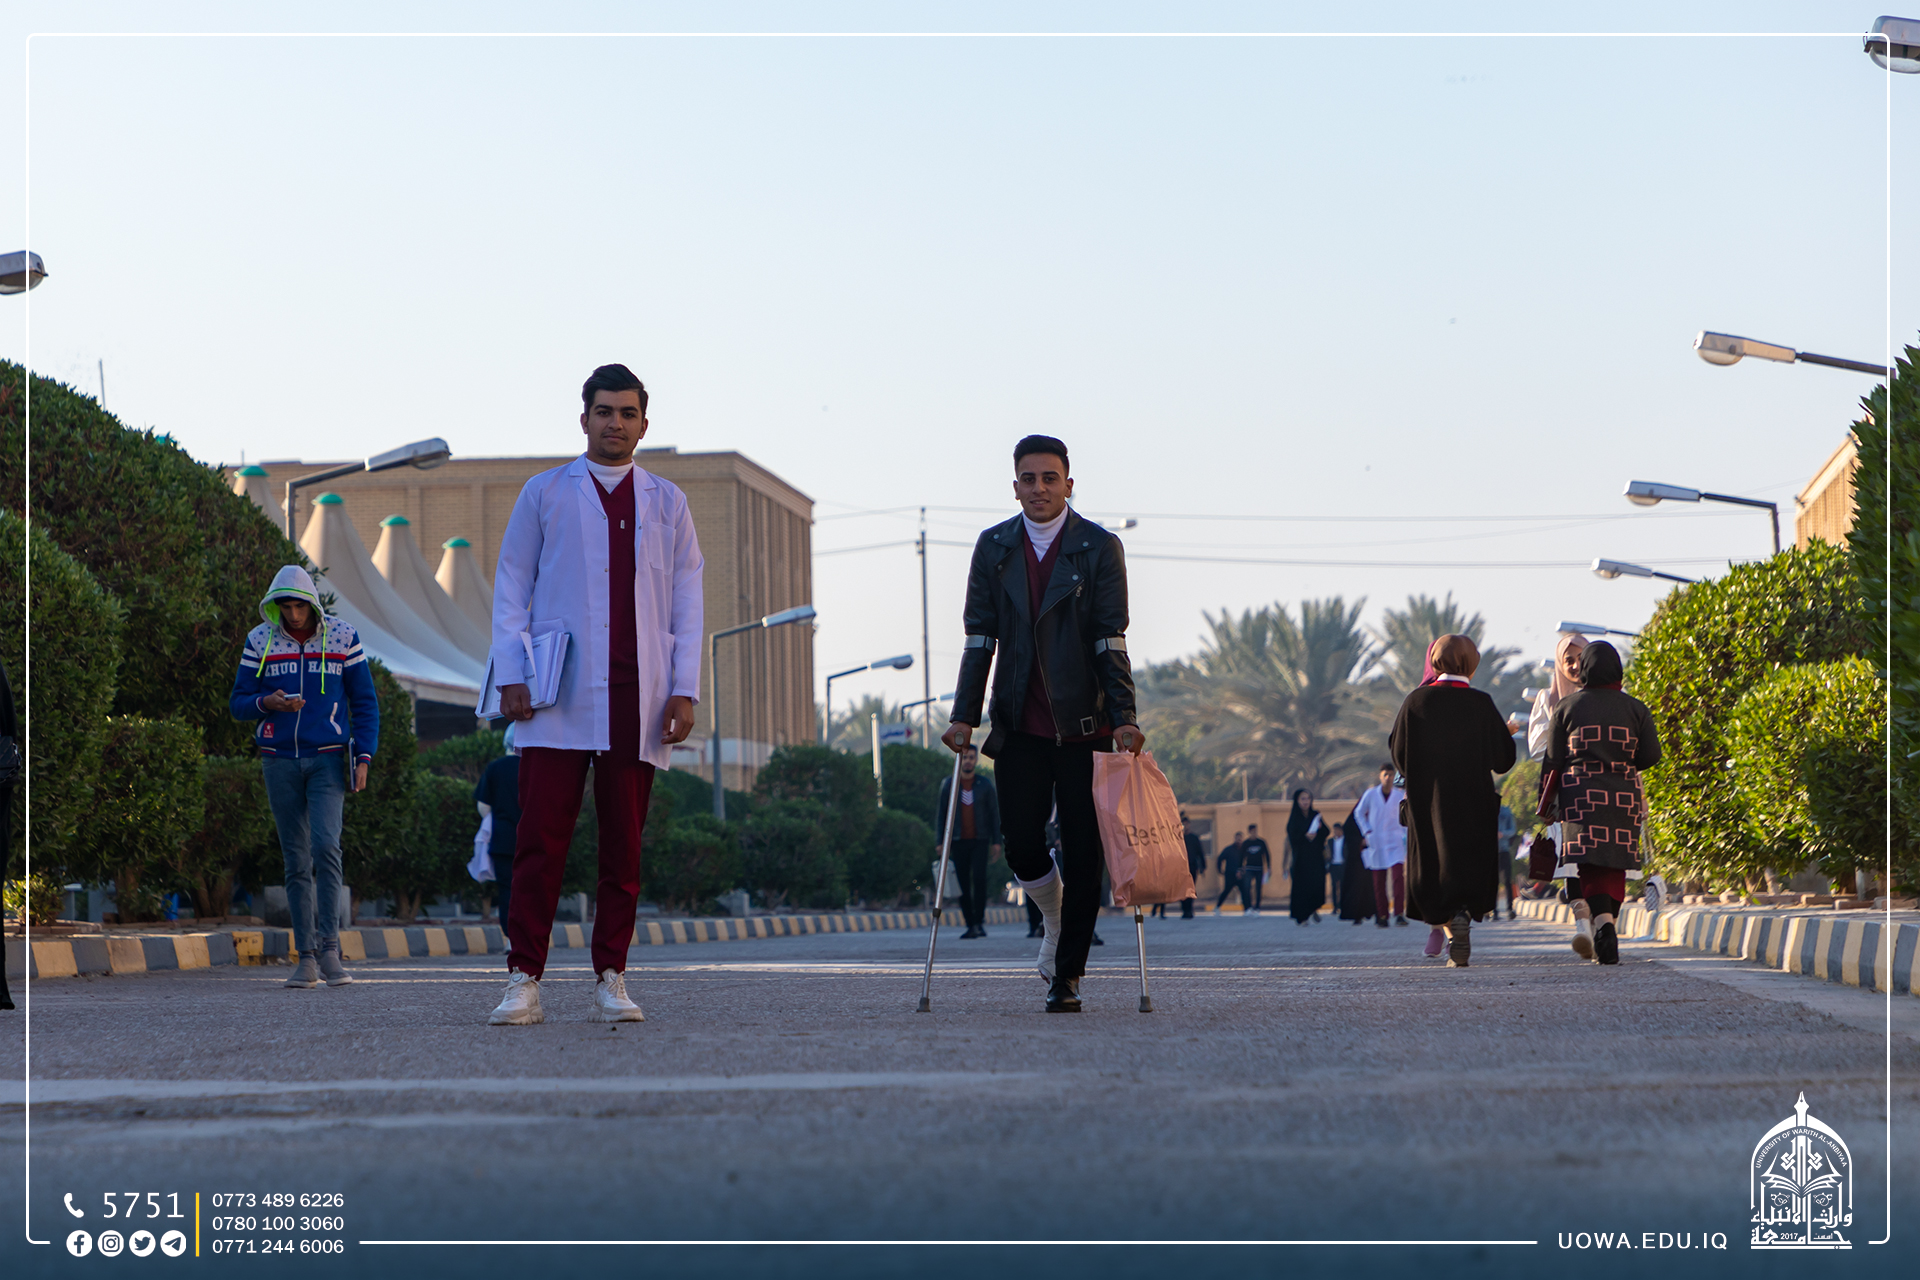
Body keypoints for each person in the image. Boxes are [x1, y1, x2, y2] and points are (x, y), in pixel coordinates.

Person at [487, 364, 704, 1027]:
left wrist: (685, 688)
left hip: (638, 695)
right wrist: (512, 671)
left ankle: (612, 976)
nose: (615, 422)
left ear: (644, 423)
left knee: (623, 847)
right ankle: (524, 978)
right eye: (604, 411)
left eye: (627, 412)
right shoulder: (545, 492)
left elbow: (688, 598)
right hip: (558, 693)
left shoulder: (668, 502)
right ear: (584, 419)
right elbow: (511, 583)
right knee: (538, 841)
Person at [943, 434, 1144, 1013]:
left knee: (1084, 856)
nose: (1039, 488)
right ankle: (1052, 915)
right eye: (1029, 479)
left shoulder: (1097, 546)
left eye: (1050, 478)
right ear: (1015, 487)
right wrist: (963, 715)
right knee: (1023, 848)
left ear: (1068, 485)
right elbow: (979, 638)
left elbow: (1110, 638)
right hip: (1018, 725)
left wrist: (1125, 717)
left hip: (1087, 727)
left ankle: (1067, 975)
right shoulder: (994, 546)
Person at [228, 565, 381, 989]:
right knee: (295, 858)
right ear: (275, 606)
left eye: (300, 606)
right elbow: (238, 703)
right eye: (286, 607)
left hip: (328, 758)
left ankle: (331, 950)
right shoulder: (260, 640)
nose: (293, 615)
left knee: (327, 847)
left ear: (313, 604)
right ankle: (306, 957)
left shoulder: (343, 637)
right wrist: (268, 703)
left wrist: (364, 757)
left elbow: (365, 703)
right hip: (278, 759)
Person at [1390, 634, 1517, 968]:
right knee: (1468, 864)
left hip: (1429, 804)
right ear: (1471, 664)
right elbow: (1503, 760)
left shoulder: (1415, 702)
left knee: (1435, 864)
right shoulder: (1482, 703)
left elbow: (1399, 755)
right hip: (1474, 804)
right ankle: (1462, 914)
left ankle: (1449, 925)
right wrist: (1502, 734)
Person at [1544, 641, 1662, 966]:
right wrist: (1625, 762)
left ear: (1584, 670)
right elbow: (1651, 755)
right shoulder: (1635, 709)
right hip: (1623, 795)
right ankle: (1608, 924)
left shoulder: (1567, 707)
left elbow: (1553, 760)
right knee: (1615, 862)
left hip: (1580, 796)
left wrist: (1547, 802)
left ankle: (1604, 925)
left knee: (1590, 864)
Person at [936, 744, 1002, 938]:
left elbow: (994, 814)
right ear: (959, 759)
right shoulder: (949, 784)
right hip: (957, 840)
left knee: (980, 880)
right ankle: (970, 923)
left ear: (976, 760)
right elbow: (941, 815)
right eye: (965, 757)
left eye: (971, 758)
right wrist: (940, 841)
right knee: (962, 882)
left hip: (980, 840)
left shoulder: (985, 785)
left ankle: (979, 922)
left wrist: (997, 841)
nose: (968, 761)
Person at [474, 723, 523, 937]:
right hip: (532, 838)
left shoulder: (495, 767)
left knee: (507, 890)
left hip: (502, 839)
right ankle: (529, 936)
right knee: (530, 889)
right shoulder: (534, 768)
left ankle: (511, 938)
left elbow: (483, 806)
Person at [1352, 763, 1408, 928]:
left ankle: (1399, 913)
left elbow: (1406, 817)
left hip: (1395, 842)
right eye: (1385, 775)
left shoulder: (1399, 795)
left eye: (1391, 775)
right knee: (1379, 881)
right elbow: (1358, 812)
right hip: (1376, 841)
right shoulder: (1370, 794)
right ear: (1380, 776)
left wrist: (1404, 834)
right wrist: (1367, 831)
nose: (1388, 778)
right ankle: (1382, 915)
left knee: (1398, 878)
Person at [1283, 793, 1327, 924]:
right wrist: (1305, 836)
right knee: (1301, 888)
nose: (1306, 802)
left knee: (1316, 885)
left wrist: (1320, 829)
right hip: (1301, 860)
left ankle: (1313, 908)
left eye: (1308, 799)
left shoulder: (1315, 815)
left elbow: (1326, 831)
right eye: (1303, 799)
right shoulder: (1295, 818)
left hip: (1315, 858)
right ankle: (1302, 917)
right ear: (1297, 801)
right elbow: (1292, 837)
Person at [1337, 810, 1376, 924]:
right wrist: (1360, 842)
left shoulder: (1375, 815)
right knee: (1357, 887)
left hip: (1373, 858)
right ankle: (1356, 914)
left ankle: (1377, 914)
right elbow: (1349, 833)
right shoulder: (1353, 819)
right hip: (1356, 860)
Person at [1239, 823, 1272, 914]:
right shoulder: (1246, 843)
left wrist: (1269, 867)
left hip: (1259, 868)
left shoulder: (1261, 842)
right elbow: (1241, 857)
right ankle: (1248, 907)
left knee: (1258, 888)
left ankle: (1257, 907)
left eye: (1255, 831)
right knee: (1247, 887)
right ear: (1249, 832)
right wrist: (1240, 868)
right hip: (1249, 868)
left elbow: (1267, 854)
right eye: (1252, 831)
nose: (1254, 833)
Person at [1180, 812, 1206, 919]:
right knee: (1182, 890)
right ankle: (1185, 910)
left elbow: (1200, 852)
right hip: (1181, 868)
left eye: (1187, 824)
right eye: (1183, 824)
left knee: (1191, 889)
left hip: (1192, 867)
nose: (1185, 826)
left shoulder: (1194, 838)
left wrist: (1203, 866)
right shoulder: (1179, 838)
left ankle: (1190, 910)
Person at [1214, 830, 1247, 912]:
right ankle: (1217, 907)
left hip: (1240, 875)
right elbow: (1220, 859)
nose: (1239, 840)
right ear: (1235, 839)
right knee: (1226, 891)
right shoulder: (1229, 850)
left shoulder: (1244, 850)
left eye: (1240, 839)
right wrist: (1220, 870)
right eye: (1237, 839)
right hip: (1230, 875)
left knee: (1244, 891)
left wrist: (1243, 870)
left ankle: (1247, 909)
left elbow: (1247, 861)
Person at [1495, 802, 1518, 920]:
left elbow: (1513, 830)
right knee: (1492, 882)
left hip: (1504, 849)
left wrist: (1502, 834)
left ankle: (1510, 909)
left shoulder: (1506, 811)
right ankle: (1493, 911)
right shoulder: (1483, 810)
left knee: (1507, 880)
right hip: (1489, 852)